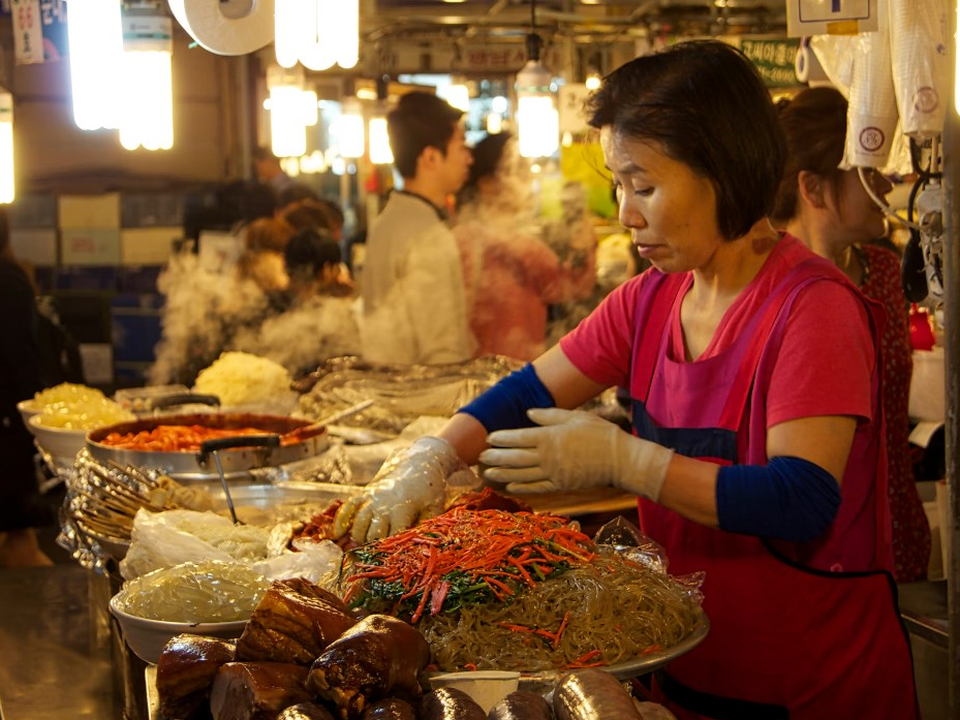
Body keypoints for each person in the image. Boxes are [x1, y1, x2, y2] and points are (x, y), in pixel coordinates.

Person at [334, 41, 918, 718]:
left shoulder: (813, 307)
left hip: (815, 686)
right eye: (619, 185)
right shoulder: (651, 300)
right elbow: (528, 392)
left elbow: (802, 498)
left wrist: (627, 461)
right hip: (688, 667)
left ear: (723, 172)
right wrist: (432, 457)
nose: (626, 213)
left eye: (644, 185)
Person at [772, 85, 931, 582]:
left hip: (897, 522)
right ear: (814, 188)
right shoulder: (771, 287)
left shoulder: (884, 271)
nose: (886, 189)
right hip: (814, 538)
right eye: (870, 175)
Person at [453, 133, 596, 361]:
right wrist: (582, 251)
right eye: (518, 171)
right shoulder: (501, 244)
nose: (529, 179)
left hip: (506, 373)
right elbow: (570, 286)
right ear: (487, 184)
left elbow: (567, 287)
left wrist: (581, 249)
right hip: (502, 375)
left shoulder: (470, 236)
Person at [360, 91, 474, 365]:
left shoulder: (386, 223)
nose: (469, 158)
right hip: (423, 397)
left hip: (387, 389)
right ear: (431, 158)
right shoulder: (429, 236)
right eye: (461, 146)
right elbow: (442, 349)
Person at [0, 208, 53, 567]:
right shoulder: (10, 281)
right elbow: (23, 360)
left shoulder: (9, 281)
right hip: (7, 427)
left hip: (6, 425)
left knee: (16, 537)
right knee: (18, 538)